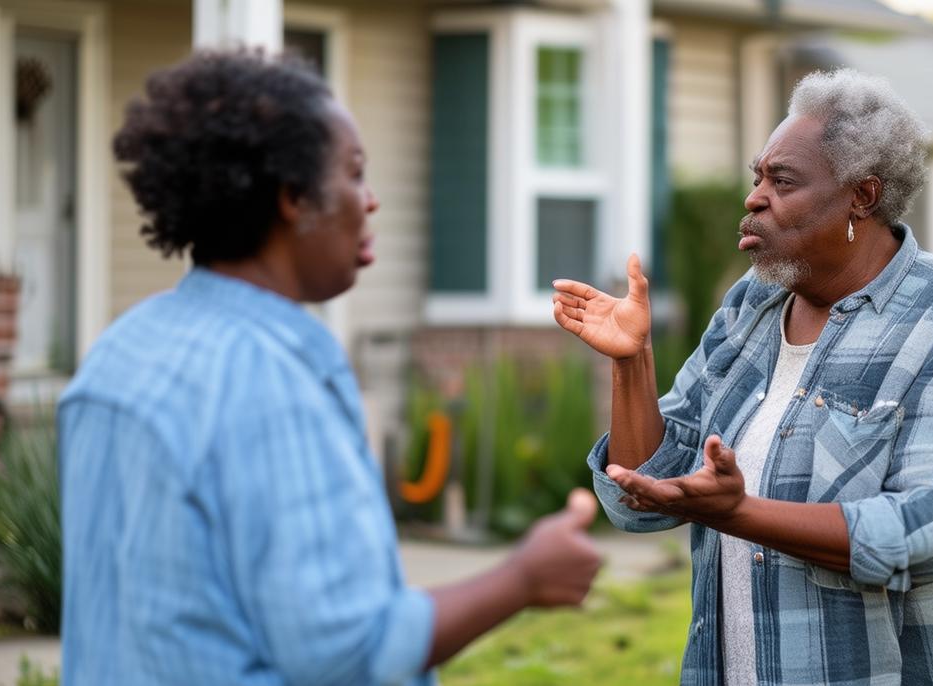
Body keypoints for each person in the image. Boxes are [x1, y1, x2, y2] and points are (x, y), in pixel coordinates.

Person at [59, 49, 601, 686]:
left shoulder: (119, 351)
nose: (369, 201)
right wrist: (522, 579)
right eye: (353, 173)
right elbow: (346, 654)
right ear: (293, 196)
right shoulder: (273, 380)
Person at [552, 68, 933, 685]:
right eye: (756, 176)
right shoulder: (753, 304)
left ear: (861, 197)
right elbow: (645, 496)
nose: (754, 197)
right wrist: (632, 361)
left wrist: (738, 513)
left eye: (782, 180)